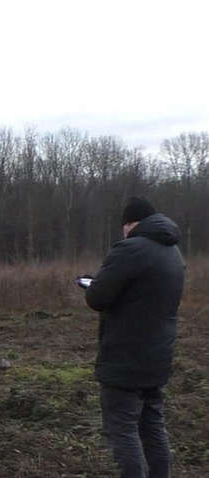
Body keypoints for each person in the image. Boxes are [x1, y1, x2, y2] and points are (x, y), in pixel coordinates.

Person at [84, 197, 185, 478]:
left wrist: (91, 285)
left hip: (124, 358)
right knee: (153, 428)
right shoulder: (173, 251)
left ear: (129, 224)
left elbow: (97, 297)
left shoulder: (130, 249)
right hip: (158, 356)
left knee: (123, 430)